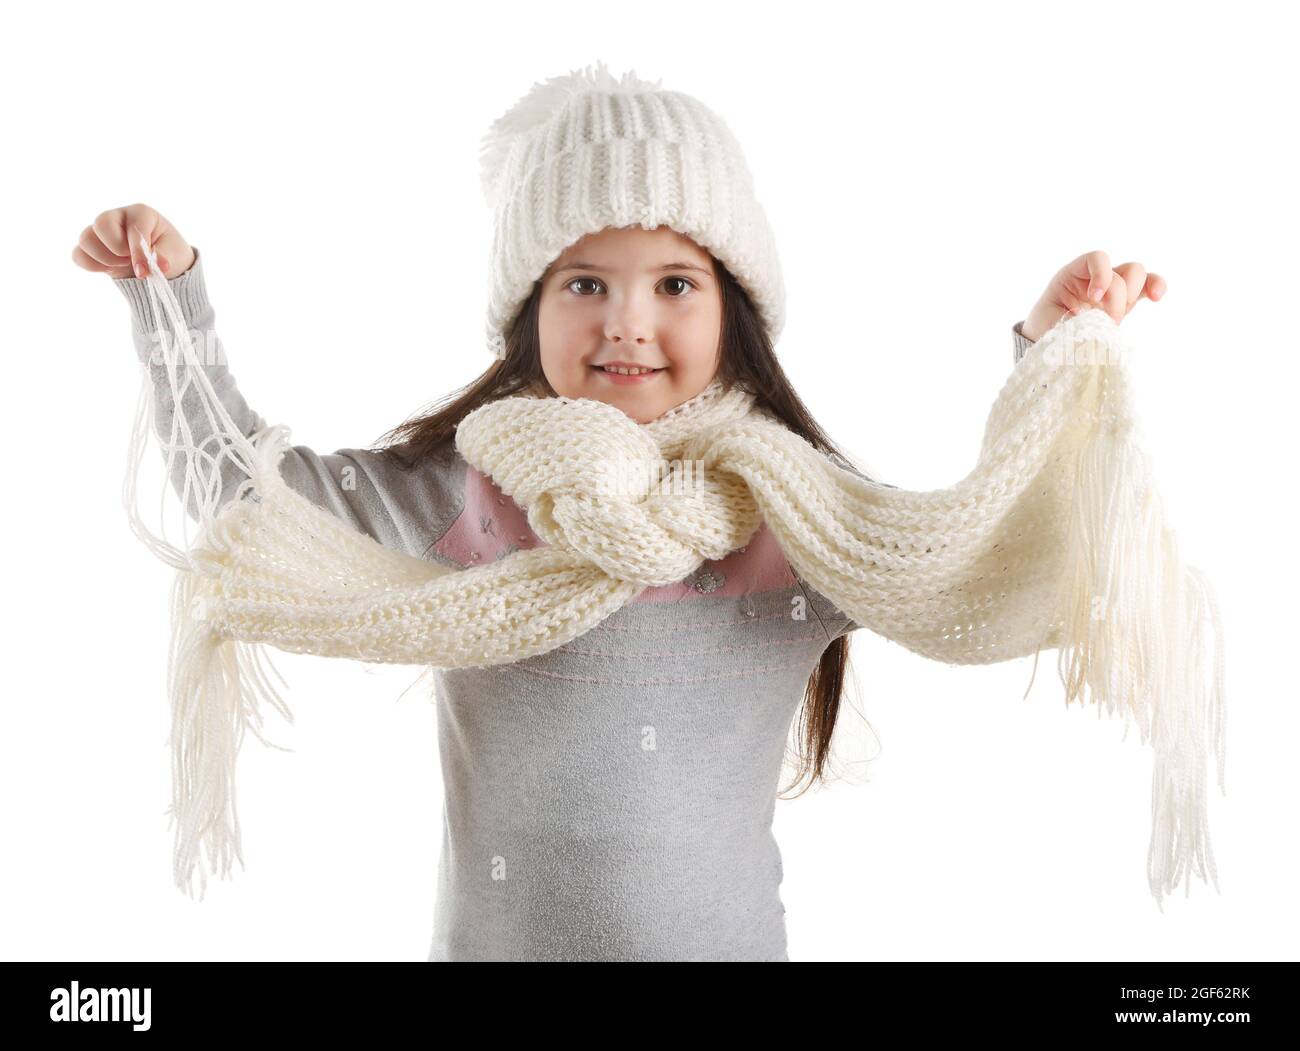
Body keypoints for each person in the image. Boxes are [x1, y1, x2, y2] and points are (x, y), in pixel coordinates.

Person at [73, 61, 1173, 962]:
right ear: (529, 313)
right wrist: (169, 305)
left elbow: (979, 549)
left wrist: (1052, 351)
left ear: (733, 307)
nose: (627, 324)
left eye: (674, 283)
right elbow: (241, 497)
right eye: (584, 283)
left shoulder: (788, 512)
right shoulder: (469, 493)